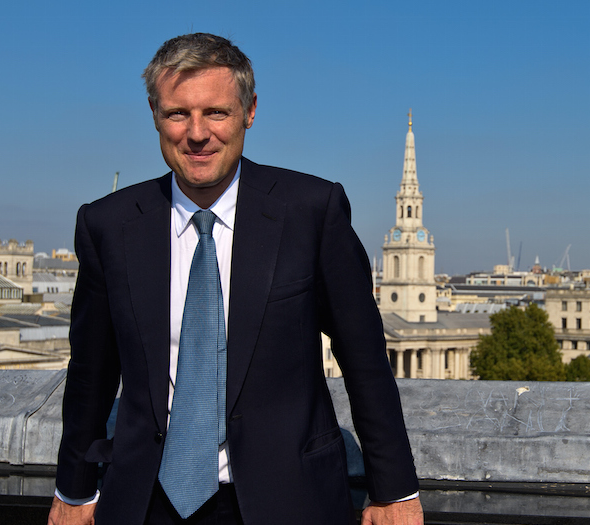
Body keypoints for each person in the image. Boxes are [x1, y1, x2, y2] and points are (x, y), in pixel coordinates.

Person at [48, 33, 423, 525]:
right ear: (154, 114)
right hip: (144, 503)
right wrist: (73, 491)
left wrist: (394, 491)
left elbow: (364, 356)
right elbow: (91, 374)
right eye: (178, 113)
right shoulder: (108, 224)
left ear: (249, 112)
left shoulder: (311, 211)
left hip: (289, 500)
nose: (197, 133)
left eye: (217, 113)